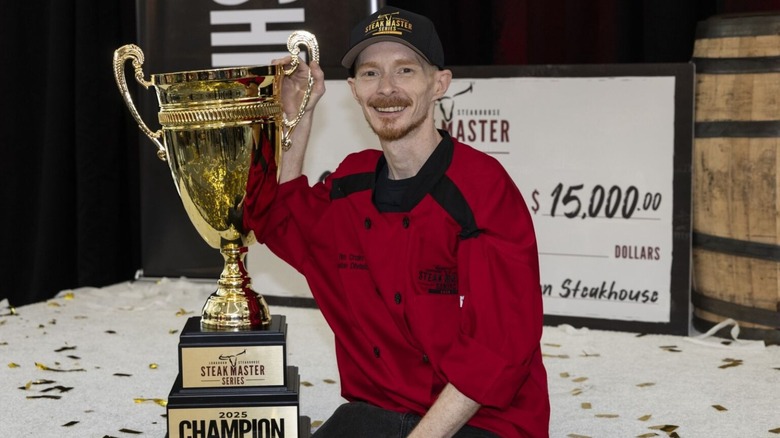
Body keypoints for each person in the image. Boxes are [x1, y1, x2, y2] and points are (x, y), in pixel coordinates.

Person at [244, 6, 550, 437]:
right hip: (381, 408)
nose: (387, 89)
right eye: (370, 74)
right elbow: (282, 222)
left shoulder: (483, 190)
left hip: (483, 420)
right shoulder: (352, 182)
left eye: (405, 70)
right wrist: (299, 112)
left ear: (438, 84)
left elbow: (496, 350)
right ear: (352, 89)